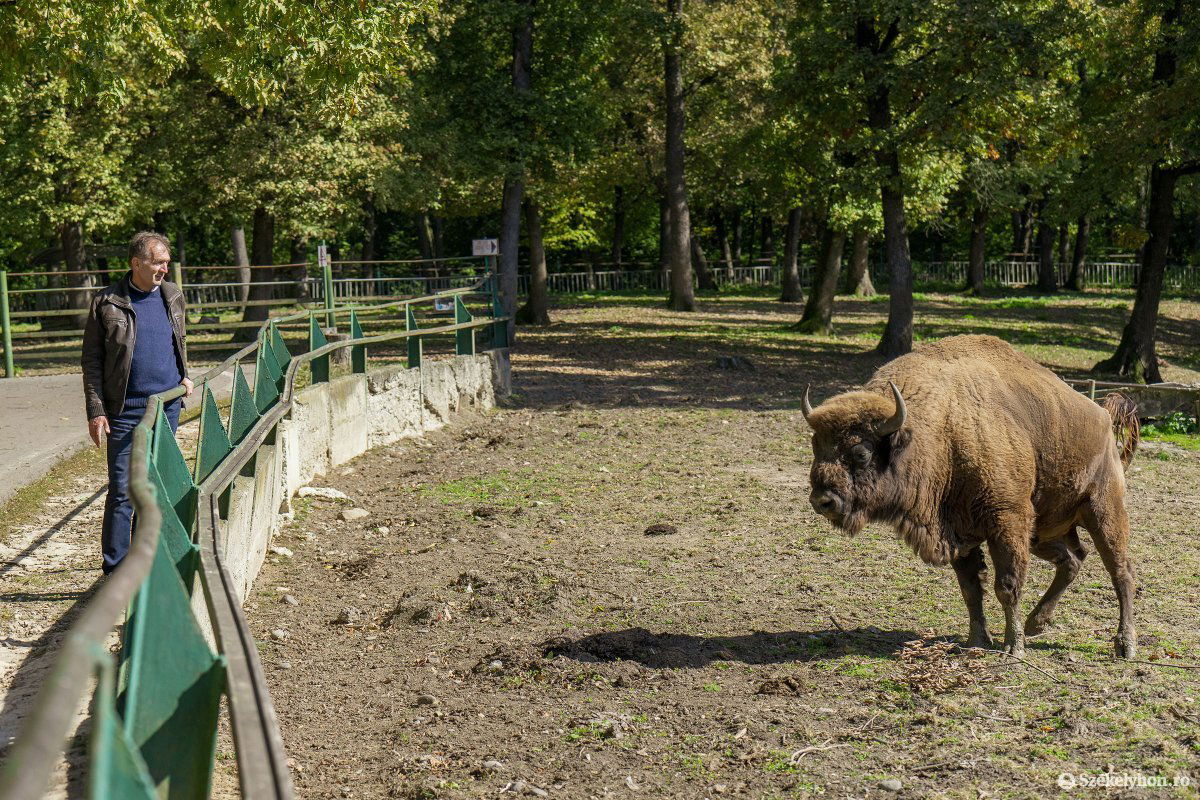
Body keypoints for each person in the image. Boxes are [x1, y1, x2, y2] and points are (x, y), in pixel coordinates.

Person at [82, 231, 194, 574]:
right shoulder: (107, 302)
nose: (165, 267)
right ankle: (116, 570)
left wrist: (185, 374)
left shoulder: (172, 295)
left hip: (167, 405)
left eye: (166, 262)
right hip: (126, 411)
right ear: (136, 263)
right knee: (123, 490)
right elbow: (92, 360)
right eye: (158, 262)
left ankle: (146, 563)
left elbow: (178, 339)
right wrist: (96, 410)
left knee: (154, 485)